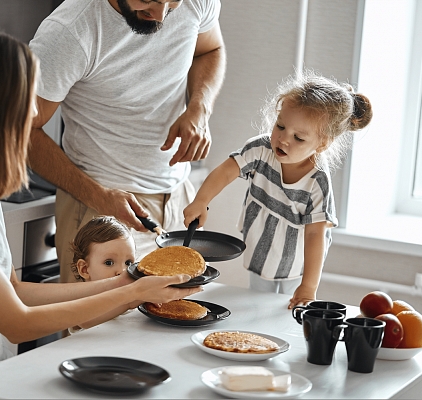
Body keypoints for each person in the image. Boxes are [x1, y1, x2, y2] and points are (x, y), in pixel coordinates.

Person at [0, 28, 201, 399]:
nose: (35, 111)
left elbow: (14, 292)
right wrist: (135, 291)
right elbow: (17, 322)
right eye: (27, 98)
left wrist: (125, 284)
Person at [27, 0, 226, 283]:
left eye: (172, 3)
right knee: (98, 328)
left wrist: (200, 108)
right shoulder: (69, 31)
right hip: (102, 207)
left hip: (178, 200)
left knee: (179, 321)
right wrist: (99, 197)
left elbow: (209, 49)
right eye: (148, 0)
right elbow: (20, 132)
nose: (160, 16)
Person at [183, 70, 373, 309]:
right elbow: (226, 170)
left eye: (298, 138)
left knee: (286, 311)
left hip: (297, 265)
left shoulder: (317, 181)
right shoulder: (261, 149)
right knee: (257, 305)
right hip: (260, 251)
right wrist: (201, 200)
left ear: (322, 143)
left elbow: (315, 234)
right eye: (280, 126)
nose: (283, 139)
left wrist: (309, 286)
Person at [67, 216, 137, 333]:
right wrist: (132, 301)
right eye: (109, 263)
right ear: (84, 269)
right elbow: (85, 321)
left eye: (128, 263)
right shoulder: (83, 299)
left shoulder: (130, 293)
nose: (122, 270)